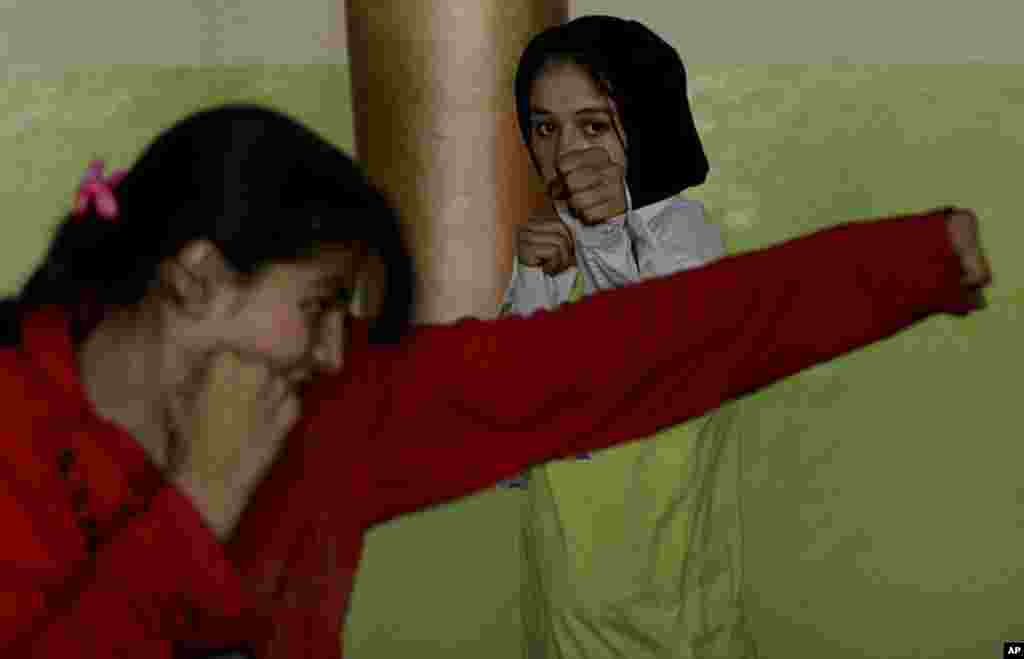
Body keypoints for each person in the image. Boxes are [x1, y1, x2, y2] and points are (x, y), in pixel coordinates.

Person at [0, 103, 990, 659]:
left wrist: (906, 265)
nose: (335, 352)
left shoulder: (329, 408)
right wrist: (194, 512)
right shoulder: (15, 428)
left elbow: (618, 356)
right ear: (197, 277)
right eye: (320, 303)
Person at [495, 14, 742, 656]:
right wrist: (536, 281)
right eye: (545, 127)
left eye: (594, 126)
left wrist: (604, 238)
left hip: (672, 617)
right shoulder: (551, 239)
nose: (565, 154)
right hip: (566, 608)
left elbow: (660, 364)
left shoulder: (685, 235)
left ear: (645, 121)